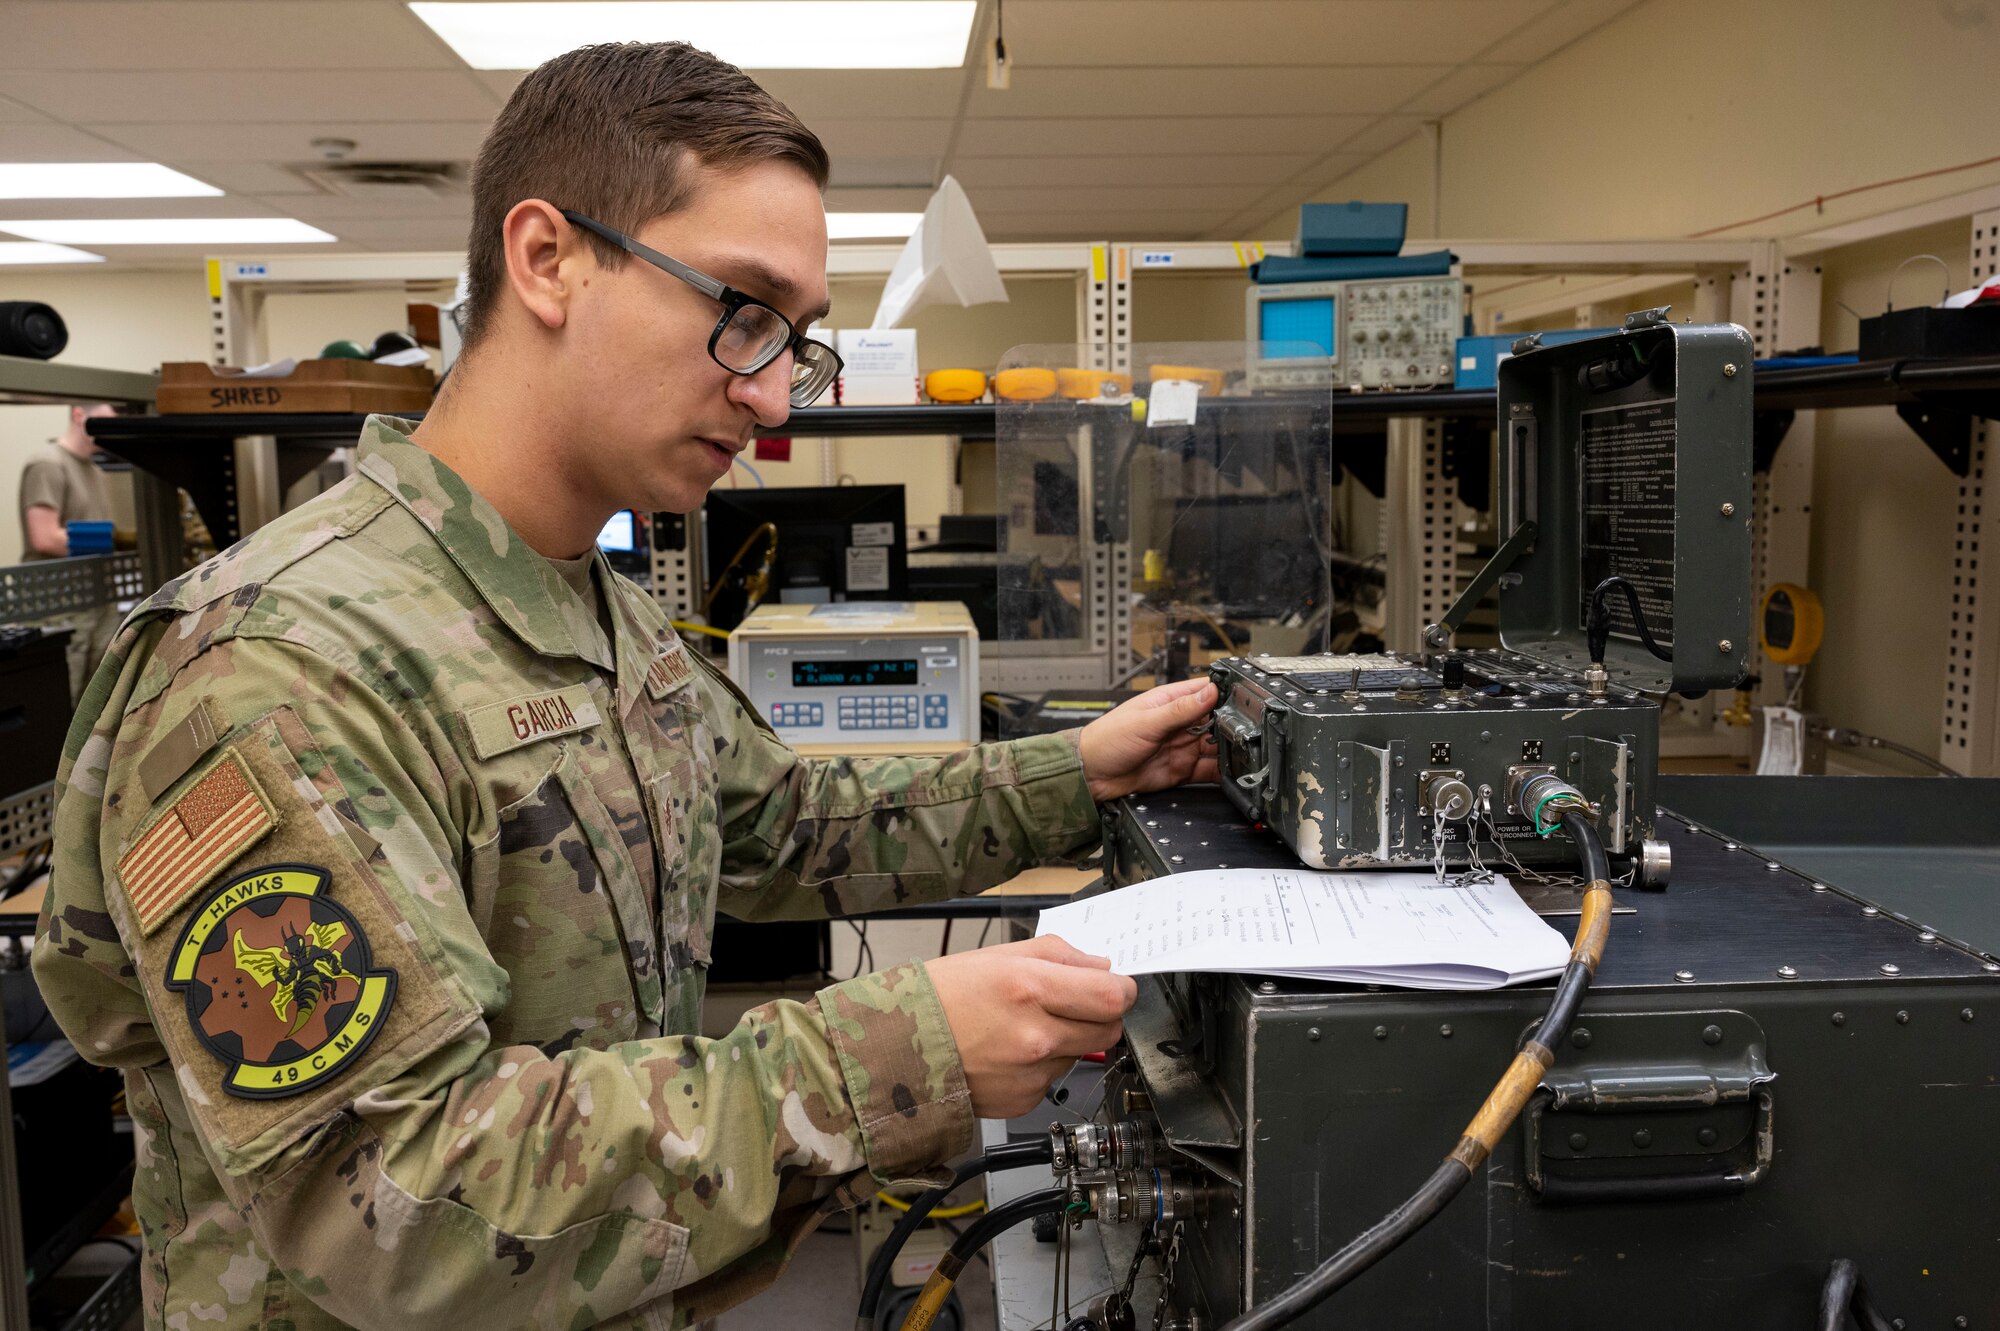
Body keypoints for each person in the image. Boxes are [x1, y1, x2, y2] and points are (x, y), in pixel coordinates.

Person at [32, 41, 1219, 1331]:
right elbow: (387, 1198)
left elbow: (778, 823)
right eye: (743, 311)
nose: (770, 398)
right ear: (548, 258)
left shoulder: (595, 609)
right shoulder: (278, 664)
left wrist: (1085, 769)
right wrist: (896, 1050)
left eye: (796, 344)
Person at [18, 401, 113, 560]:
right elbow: (45, 539)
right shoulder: (48, 464)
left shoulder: (95, 471)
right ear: (78, 416)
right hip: (53, 582)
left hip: (89, 578)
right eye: (105, 421)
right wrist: (112, 543)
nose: (110, 430)